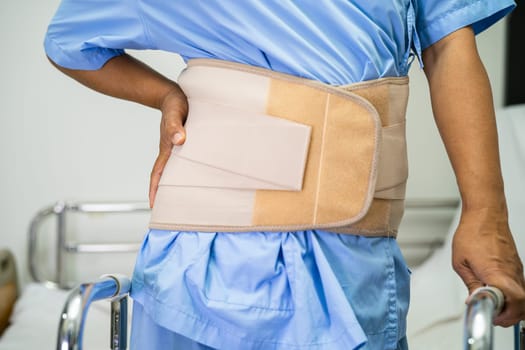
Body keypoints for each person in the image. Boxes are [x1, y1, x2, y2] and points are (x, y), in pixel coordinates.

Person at [44, 1, 525, 349]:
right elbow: (68, 41)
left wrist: (486, 215)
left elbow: (449, 48)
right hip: (201, 266)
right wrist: (166, 95)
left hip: (349, 262)